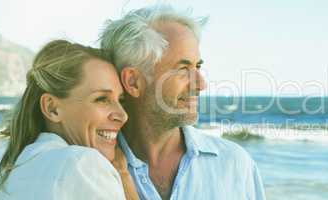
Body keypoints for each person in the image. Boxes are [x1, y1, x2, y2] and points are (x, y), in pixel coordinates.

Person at [99, 4, 266, 200]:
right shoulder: (91, 167)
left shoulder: (234, 165)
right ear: (133, 82)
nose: (201, 84)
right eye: (183, 69)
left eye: (198, 66)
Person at [0, 40, 138, 200]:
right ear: (52, 108)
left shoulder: (18, 170)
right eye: (101, 99)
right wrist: (124, 178)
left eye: (120, 100)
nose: (123, 115)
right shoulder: (84, 164)